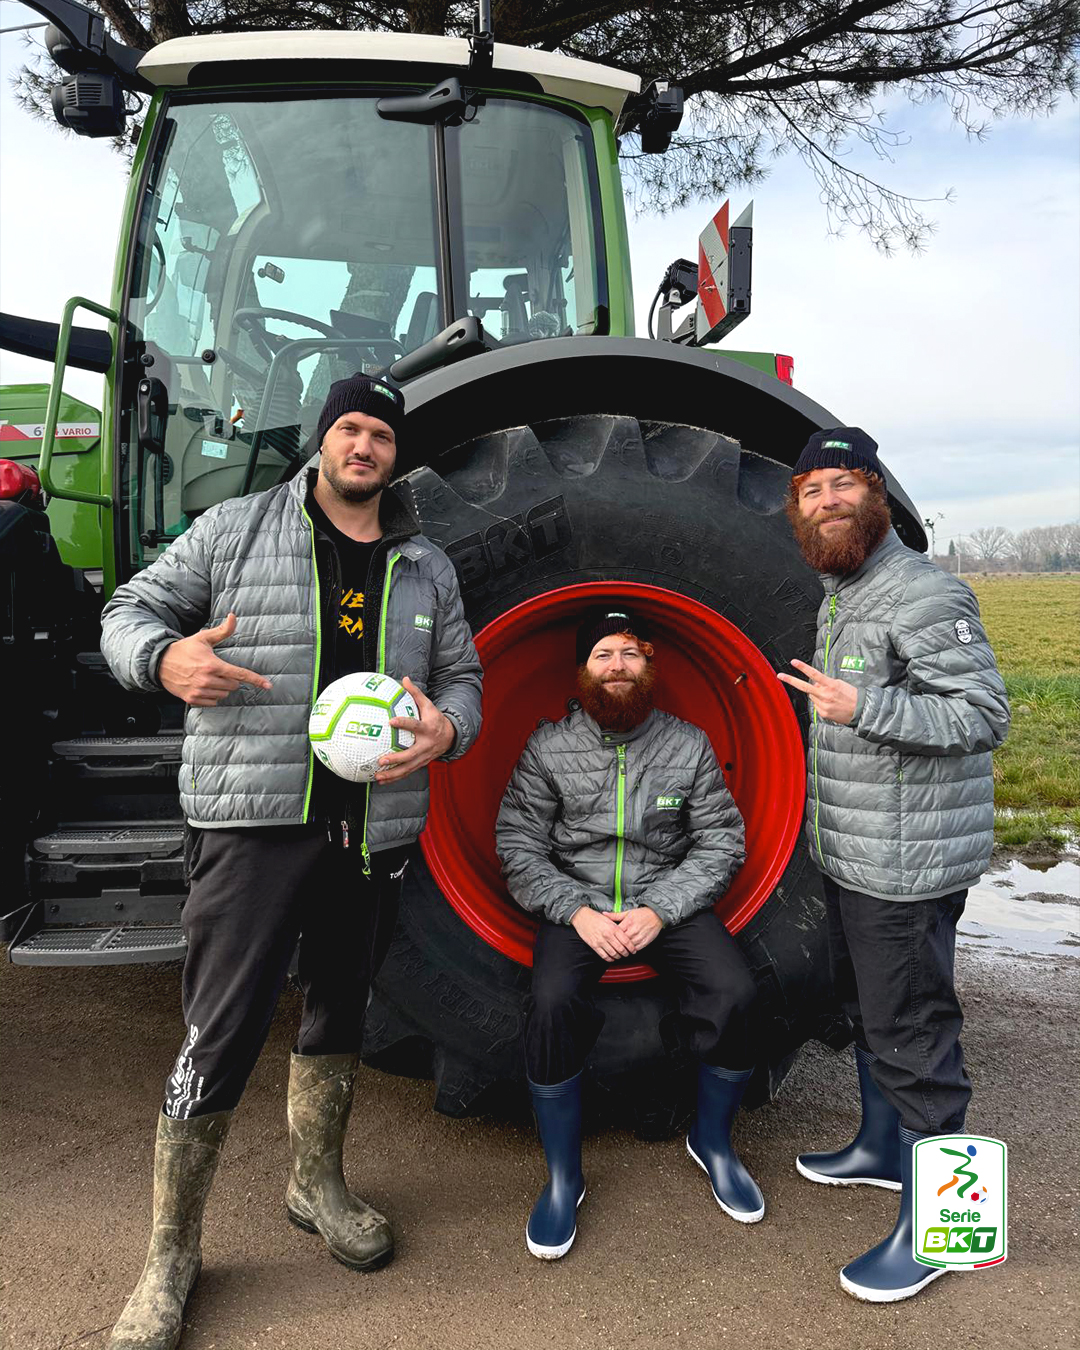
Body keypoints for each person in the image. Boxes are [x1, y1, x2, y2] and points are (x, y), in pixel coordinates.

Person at [99, 373, 482, 1349]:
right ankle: (171, 1253)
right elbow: (130, 609)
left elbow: (463, 680)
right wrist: (164, 659)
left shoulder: (426, 565)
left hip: (372, 830)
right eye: (349, 428)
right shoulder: (234, 530)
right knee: (220, 1030)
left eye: (381, 435)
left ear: (394, 454)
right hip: (252, 825)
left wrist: (450, 729)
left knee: (340, 1008)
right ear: (324, 439)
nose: (364, 447)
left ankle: (316, 1183)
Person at [778, 427, 1009, 1304]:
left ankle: (953, 1231)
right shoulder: (845, 591)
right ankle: (881, 1150)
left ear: (876, 493)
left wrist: (865, 708)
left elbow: (982, 715)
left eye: (843, 484)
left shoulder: (921, 591)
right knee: (870, 1014)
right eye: (812, 490)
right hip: (859, 853)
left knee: (916, 1041)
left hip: (908, 869)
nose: (827, 501)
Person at [495, 605, 760, 1261]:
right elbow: (518, 845)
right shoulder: (549, 748)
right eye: (603, 654)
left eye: (630, 653)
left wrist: (660, 909)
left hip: (663, 901)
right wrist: (576, 911)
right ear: (583, 670)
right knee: (551, 1002)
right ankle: (564, 1178)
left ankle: (714, 1143)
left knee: (734, 991)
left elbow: (720, 842)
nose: (618, 666)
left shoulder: (688, 745)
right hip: (578, 904)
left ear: (649, 666)